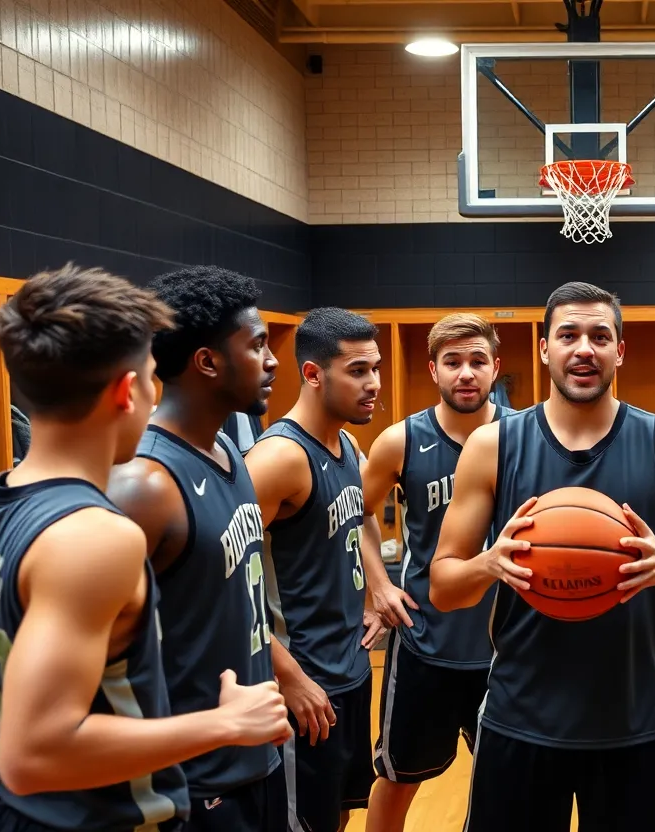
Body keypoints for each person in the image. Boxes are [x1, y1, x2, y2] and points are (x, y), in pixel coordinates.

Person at [0, 265, 290, 832]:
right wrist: (224, 724)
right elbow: (33, 752)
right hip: (93, 815)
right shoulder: (96, 534)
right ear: (126, 390)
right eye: (148, 375)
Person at [430, 281, 655, 832]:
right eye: (569, 334)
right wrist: (489, 563)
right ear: (544, 348)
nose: (584, 349)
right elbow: (443, 585)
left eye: (601, 336)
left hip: (633, 720)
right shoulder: (493, 446)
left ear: (619, 351)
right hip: (516, 719)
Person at [107, 266, 290, 831]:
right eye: (257, 345)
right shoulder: (145, 484)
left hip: (254, 752)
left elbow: (236, 600)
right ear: (208, 362)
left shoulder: (232, 455)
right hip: (192, 781)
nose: (273, 359)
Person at [359, 313, 512, 832]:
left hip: (509, 647)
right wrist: (378, 584)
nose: (465, 373)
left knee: (510, 787)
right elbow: (356, 513)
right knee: (399, 778)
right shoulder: (400, 440)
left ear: (496, 367)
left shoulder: (526, 437)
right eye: (453, 362)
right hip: (428, 642)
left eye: (476, 361)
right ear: (433, 370)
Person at [242, 307, 384, 832]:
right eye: (357, 371)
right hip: (302, 681)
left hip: (347, 673)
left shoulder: (346, 442)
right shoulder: (278, 459)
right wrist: (289, 675)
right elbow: (228, 584)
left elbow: (363, 517)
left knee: (338, 814)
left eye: (375, 368)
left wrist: (378, 589)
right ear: (313, 373)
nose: (372, 384)